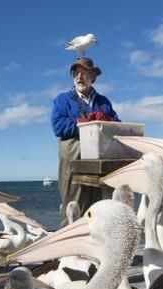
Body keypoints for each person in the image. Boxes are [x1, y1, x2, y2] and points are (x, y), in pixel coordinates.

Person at [51, 57, 120, 225]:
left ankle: (93, 245)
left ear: (93, 77)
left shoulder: (103, 102)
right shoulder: (62, 100)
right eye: (76, 73)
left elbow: (117, 124)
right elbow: (58, 127)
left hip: (99, 160)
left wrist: (107, 121)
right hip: (73, 157)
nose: (79, 77)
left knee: (99, 206)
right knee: (73, 203)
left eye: (84, 73)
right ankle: (68, 245)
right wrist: (85, 124)